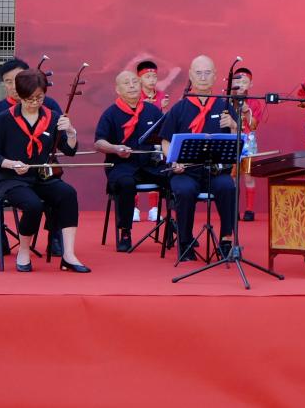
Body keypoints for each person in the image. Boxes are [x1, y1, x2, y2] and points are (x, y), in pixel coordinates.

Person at [0, 69, 88, 273]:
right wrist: (12, 164)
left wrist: (71, 132)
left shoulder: (52, 117)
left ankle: (68, 254)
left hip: (42, 178)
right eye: (29, 99)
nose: (34, 103)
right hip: (13, 179)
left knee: (68, 194)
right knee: (33, 205)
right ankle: (24, 251)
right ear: (20, 95)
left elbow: (69, 151)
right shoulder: (5, 119)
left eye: (39, 98)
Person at [0, 58, 64, 257]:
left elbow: (60, 141)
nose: (13, 86)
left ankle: (54, 235)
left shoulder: (48, 105)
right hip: (8, 170)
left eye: (16, 79)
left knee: (59, 188)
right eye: (7, 82)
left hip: (40, 168)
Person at [159, 55, 239, 262]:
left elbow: (236, 144)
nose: (203, 77)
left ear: (215, 76)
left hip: (215, 171)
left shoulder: (225, 107)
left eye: (207, 73)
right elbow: (165, 142)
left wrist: (233, 126)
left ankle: (226, 240)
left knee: (227, 187)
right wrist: (173, 160)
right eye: (198, 73)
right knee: (184, 190)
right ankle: (185, 241)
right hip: (185, 171)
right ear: (191, 76)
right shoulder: (179, 108)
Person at [93, 70, 166, 251]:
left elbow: (166, 136)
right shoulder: (110, 113)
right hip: (121, 165)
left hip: (150, 164)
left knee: (176, 177)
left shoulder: (152, 111)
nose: (132, 85)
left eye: (135, 82)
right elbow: (99, 143)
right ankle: (125, 231)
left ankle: (176, 228)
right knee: (126, 183)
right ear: (118, 90)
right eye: (127, 83)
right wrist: (115, 149)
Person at [232, 67, 265, 220]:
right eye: (238, 81)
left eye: (245, 82)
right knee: (232, 177)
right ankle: (233, 209)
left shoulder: (254, 103)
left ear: (250, 84)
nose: (241, 85)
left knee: (247, 175)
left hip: (247, 143)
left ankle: (249, 210)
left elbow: (253, 126)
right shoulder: (226, 101)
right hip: (231, 142)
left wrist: (246, 111)